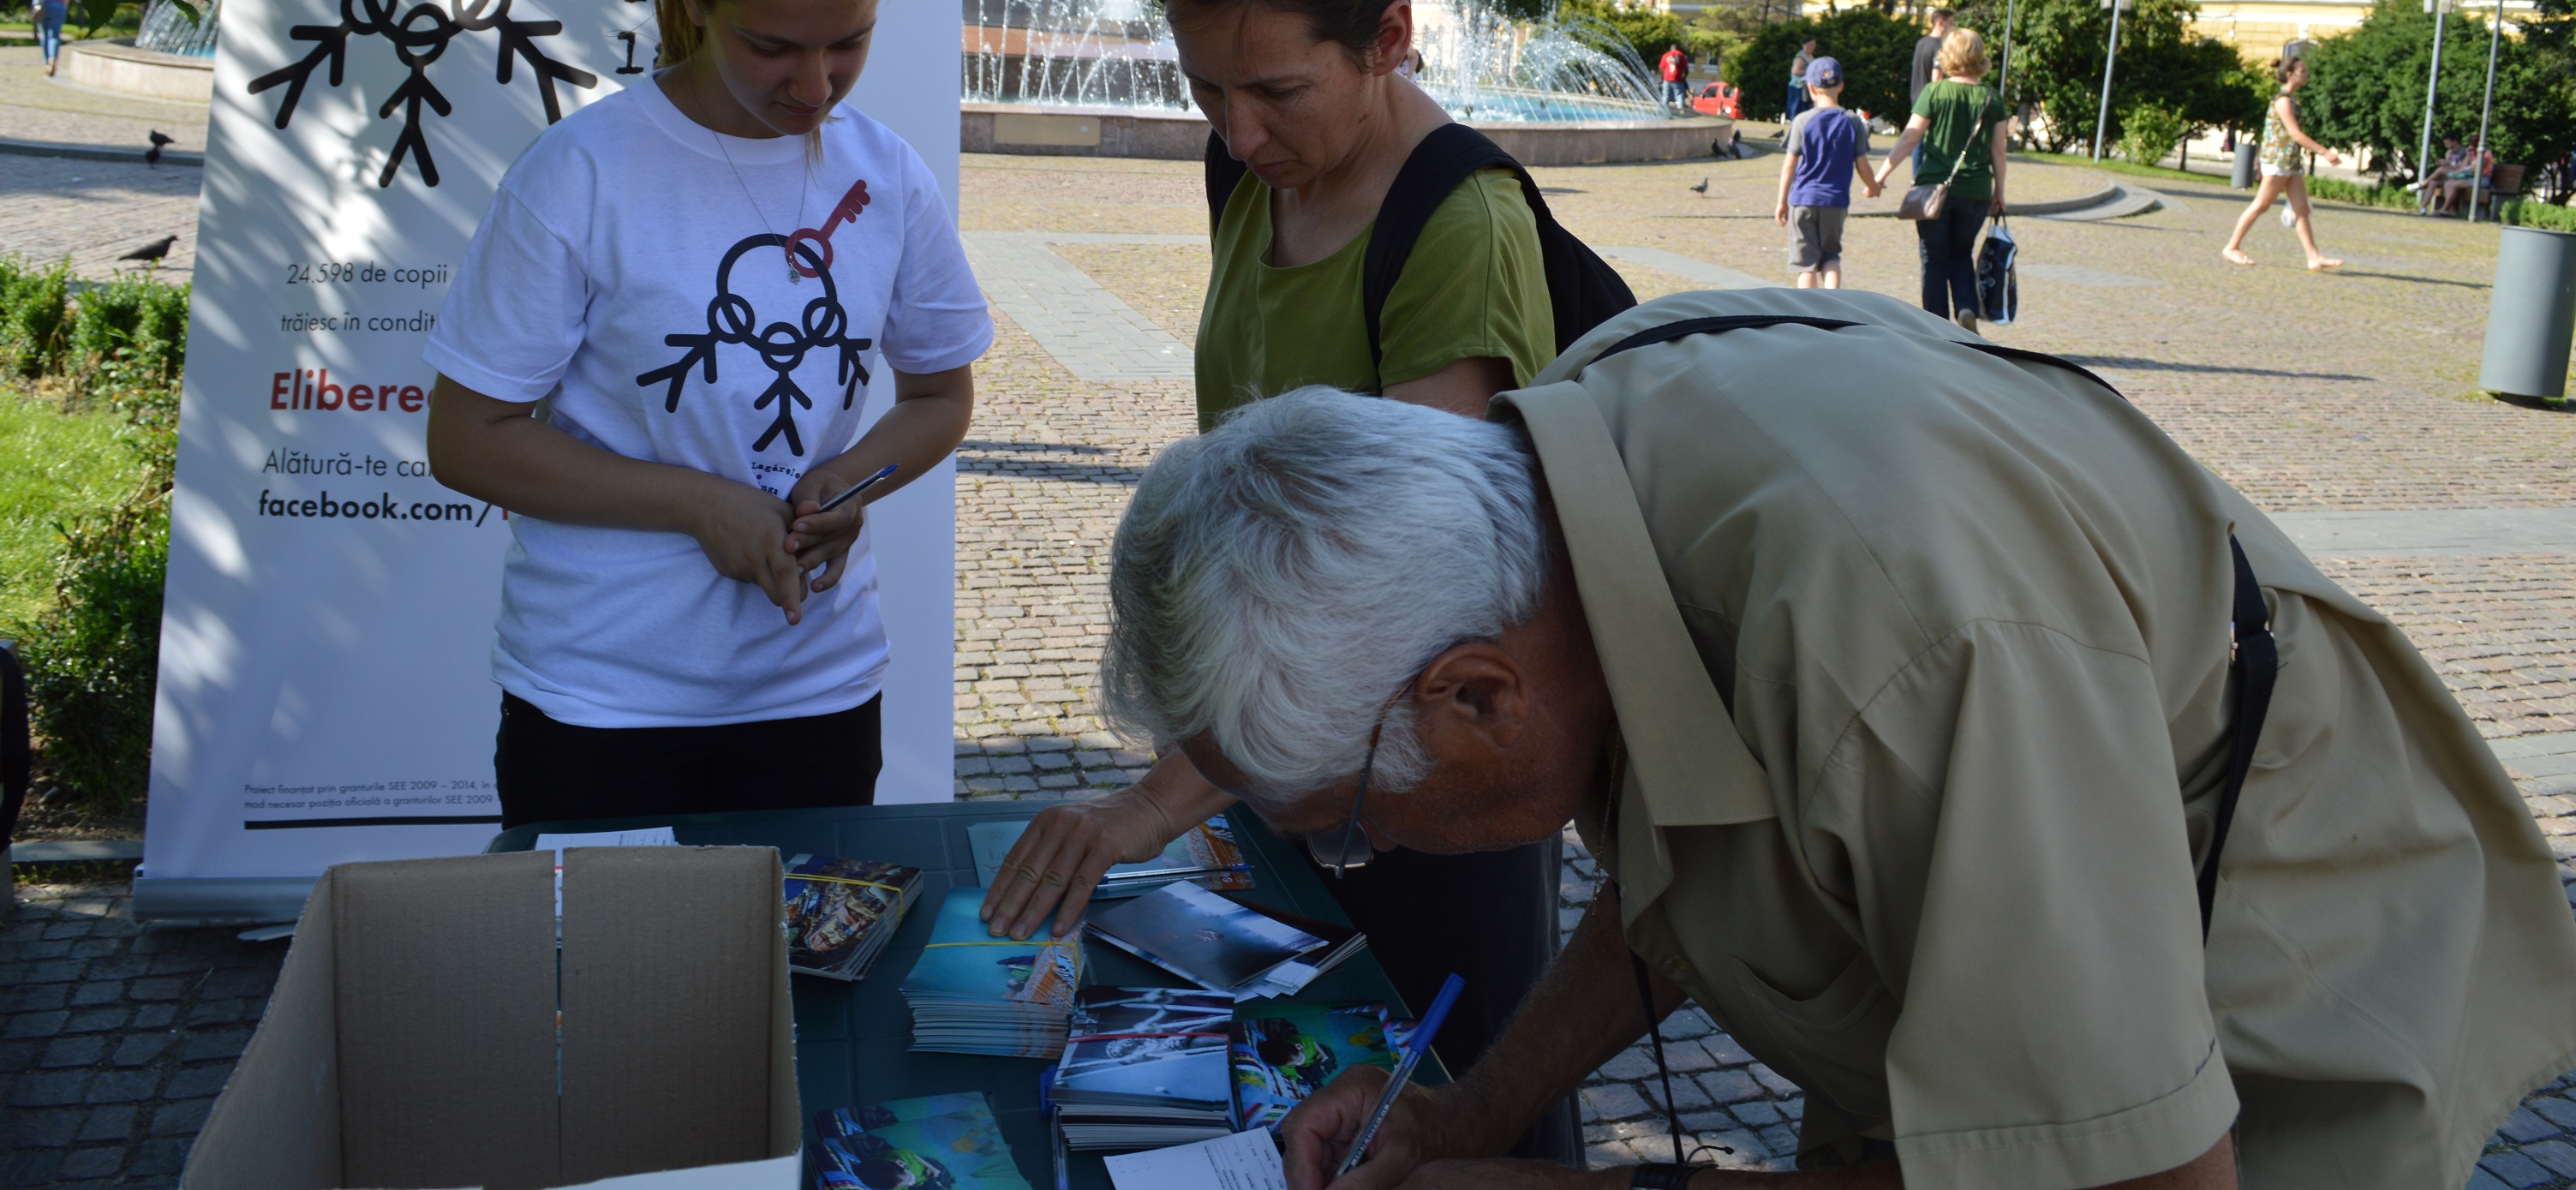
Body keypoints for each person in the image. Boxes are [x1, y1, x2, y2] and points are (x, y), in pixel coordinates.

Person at [1097, 302, 2576, 1189]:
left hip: (2288, 1021)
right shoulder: (1570, 468)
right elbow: (1705, 845)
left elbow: (2129, 1174)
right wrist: (1472, 1111)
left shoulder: (1910, 647)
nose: (1361, 853)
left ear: (1477, 696)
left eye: (1350, 820)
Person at [980, 0, 1576, 1162]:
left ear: (1391, 39)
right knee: (1286, 1110)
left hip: (1419, 780)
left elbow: (1399, 628)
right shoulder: (1251, 168)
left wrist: (1149, 805)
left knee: (1437, 1117)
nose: (1240, 136)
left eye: (1277, 91)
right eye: (1206, 91)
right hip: (1286, 754)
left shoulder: (1456, 227)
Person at [423, 0, 992, 827]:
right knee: (604, 985)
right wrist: (699, 503)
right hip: (599, 697)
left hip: (815, 688)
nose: (814, 87)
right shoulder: (581, 173)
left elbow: (941, 395)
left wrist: (850, 478)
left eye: (848, 43)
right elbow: (467, 440)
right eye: (772, 46)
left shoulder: (887, 174)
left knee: (793, 981)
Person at [1878, 27, 2007, 331]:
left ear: (1948, 55)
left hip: (1934, 191)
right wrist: (2000, 191)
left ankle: (1935, 327)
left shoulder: (1935, 92)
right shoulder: (1992, 97)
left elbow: (1910, 138)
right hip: (1976, 191)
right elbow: (1999, 151)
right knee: (1961, 253)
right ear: (1978, 55)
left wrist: (1881, 175)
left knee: (1934, 259)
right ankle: (1965, 309)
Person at [2222, 52, 2343, 269]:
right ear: (2290, 74)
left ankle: (2313, 257)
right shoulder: (2283, 101)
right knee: (2261, 205)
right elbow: (2295, 134)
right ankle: (2232, 247)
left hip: (2290, 162)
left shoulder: (2292, 100)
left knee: (2302, 209)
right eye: (2303, 71)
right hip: (2278, 161)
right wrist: (2324, 152)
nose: (2307, 74)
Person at [1772, 55, 1880, 289]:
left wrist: (1781, 201)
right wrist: (1873, 187)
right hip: (1835, 201)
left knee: (1806, 264)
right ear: (1841, 85)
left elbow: (1790, 164)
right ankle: (1833, 310)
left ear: (1811, 88)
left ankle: (1807, 317)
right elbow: (1862, 165)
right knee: (1831, 257)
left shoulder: (1802, 120)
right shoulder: (1853, 122)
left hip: (1803, 200)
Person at [1908, 4, 1953, 106]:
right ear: (1940, 23)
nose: (1953, 27)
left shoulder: (1921, 43)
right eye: (1951, 23)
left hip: (1917, 98)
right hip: (1931, 101)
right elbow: (1936, 79)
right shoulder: (1941, 46)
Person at [30, 0, 68, 77]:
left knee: (44, 35)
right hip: (58, 2)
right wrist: (65, 4)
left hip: (40, 2)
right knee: (54, 35)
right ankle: (53, 59)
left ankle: (46, 63)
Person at [1783, 36, 1816, 126]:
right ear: (1804, 45)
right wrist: (1809, 72)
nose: (1812, 47)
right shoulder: (1802, 57)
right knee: (1795, 105)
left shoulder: (1810, 57)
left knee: (1804, 106)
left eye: (1813, 45)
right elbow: (1795, 71)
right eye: (1810, 45)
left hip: (1805, 86)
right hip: (1797, 85)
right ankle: (1791, 121)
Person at [1657, 43, 1689, 115]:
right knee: (1679, 96)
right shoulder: (1681, 55)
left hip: (1667, 79)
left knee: (1665, 96)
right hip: (1678, 79)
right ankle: (1681, 113)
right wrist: (1684, 77)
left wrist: (1663, 78)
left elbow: (1661, 68)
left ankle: (1663, 113)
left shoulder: (1665, 55)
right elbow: (1686, 69)